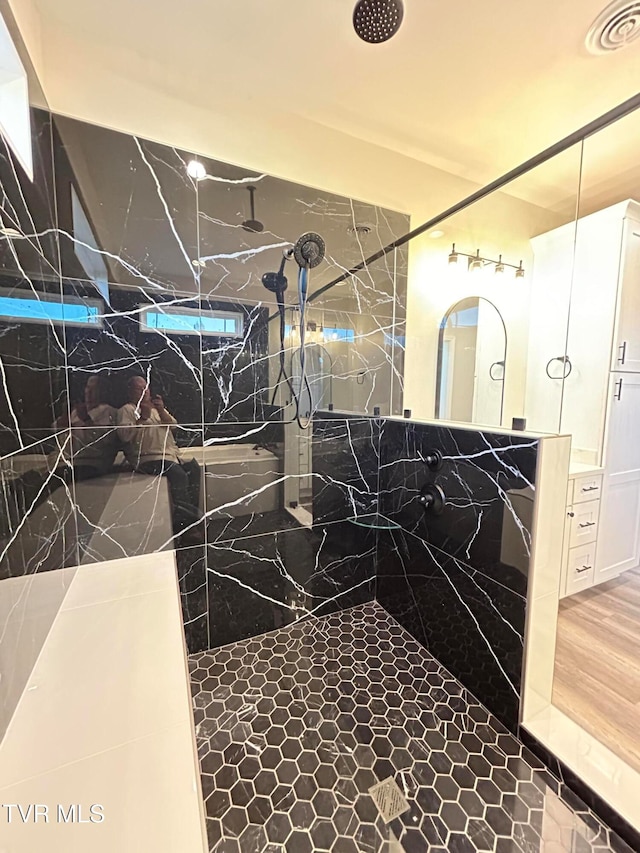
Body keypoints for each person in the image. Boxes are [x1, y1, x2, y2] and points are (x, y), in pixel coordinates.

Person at [117, 375, 201, 537]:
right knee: (178, 475)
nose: (144, 391)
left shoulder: (157, 410)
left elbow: (174, 426)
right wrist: (142, 418)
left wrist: (161, 410)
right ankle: (184, 528)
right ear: (130, 392)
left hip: (169, 456)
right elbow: (124, 436)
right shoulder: (127, 410)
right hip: (147, 459)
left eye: (146, 387)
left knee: (194, 469)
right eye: (139, 388)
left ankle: (190, 519)